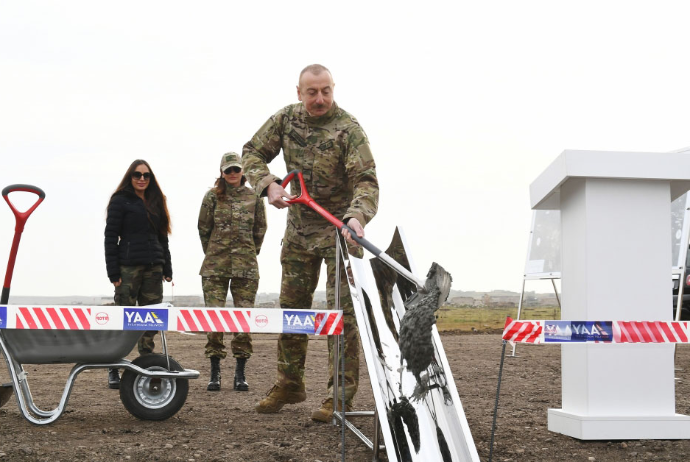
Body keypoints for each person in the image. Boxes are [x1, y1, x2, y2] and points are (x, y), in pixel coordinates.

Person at [242, 64, 378, 421]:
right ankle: (289, 384)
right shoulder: (286, 120)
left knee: (341, 318)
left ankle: (339, 396)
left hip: (339, 234)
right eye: (312, 92)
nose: (320, 99)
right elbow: (251, 152)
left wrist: (356, 217)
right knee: (293, 312)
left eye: (326, 91)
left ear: (333, 89)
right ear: (299, 92)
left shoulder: (348, 129)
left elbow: (366, 180)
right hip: (299, 234)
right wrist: (268, 183)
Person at [198, 152, 267, 392]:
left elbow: (260, 230)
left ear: (243, 171)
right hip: (215, 268)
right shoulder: (212, 197)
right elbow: (203, 229)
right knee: (214, 319)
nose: (233, 174)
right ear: (222, 173)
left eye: (236, 169)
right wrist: (214, 253)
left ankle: (240, 373)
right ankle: (215, 372)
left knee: (243, 321)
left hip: (245, 268)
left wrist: (247, 253)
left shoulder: (254, 197)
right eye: (228, 170)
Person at [104, 159, 173, 389]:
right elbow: (110, 237)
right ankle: (114, 366)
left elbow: (163, 236)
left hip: (154, 269)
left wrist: (167, 267)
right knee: (122, 319)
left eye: (146, 175)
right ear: (130, 176)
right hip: (127, 268)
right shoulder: (120, 200)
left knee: (151, 319)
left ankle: (147, 365)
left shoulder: (157, 200)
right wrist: (113, 271)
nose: (142, 179)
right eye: (137, 174)